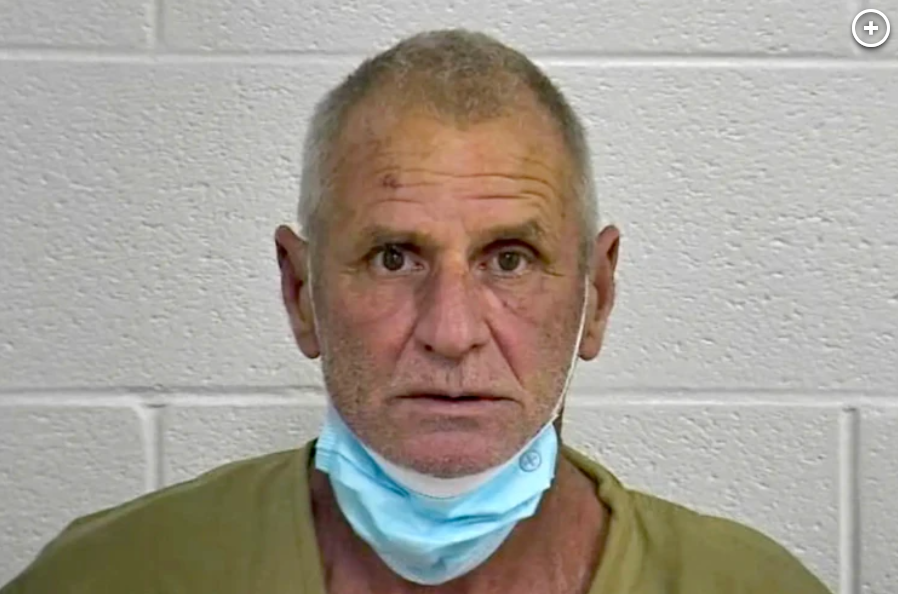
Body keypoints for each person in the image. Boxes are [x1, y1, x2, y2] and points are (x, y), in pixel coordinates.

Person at [2, 29, 832, 594]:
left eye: (510, 260)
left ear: (597, 296)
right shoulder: (111, 577)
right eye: (394, 258)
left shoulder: (750, 585)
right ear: (301, 294)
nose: (451, 333)